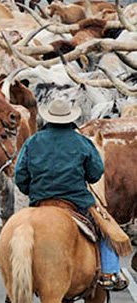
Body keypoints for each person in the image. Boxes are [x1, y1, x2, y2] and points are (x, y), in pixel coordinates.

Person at [14, 97, 129, 291]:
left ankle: (14, 279)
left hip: (40, 200)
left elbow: (20, 176)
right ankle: (109, 274)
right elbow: (95, 173)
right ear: (70, 119)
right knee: (106, 228)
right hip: (77, 200)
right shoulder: (82, 142)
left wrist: (33, 191)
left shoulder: (32, 142)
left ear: (48, 119)